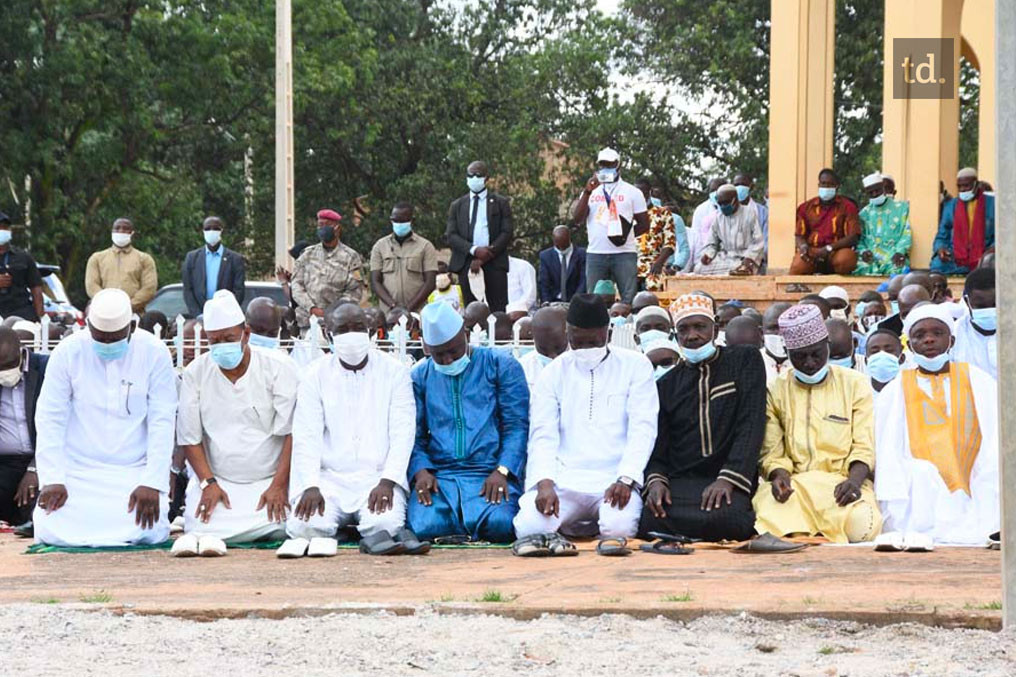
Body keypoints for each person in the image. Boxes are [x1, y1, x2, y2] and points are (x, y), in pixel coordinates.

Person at [33, 289, 177, 546]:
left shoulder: (154, 352)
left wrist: (152, 481)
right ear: (87, 326)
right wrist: (53, 478)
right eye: (101, 338)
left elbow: (162, 420)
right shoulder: (67, 352)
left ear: (132, 327)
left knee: (148, 526)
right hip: (78, 471)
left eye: (115, 339)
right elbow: (49, 417)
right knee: (51, 523)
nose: (108, 345)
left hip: (134, 470)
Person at [514, 294, 657, 544]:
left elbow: (643, 428)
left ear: (608, 334)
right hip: (564, 480)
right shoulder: (554, 373)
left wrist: (626, 478)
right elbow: (543, 434)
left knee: (618, 531)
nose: (586, 349)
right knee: (530, 527)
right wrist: (544, 482)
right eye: (578, 342)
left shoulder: (636, 366)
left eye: (593, 342)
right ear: (568, 334)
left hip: (614, 480)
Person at [280, 302, 418, 557]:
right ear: (329, 333)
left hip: (376, 478)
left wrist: (388, 481)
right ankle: (346, 530)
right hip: (329, 478)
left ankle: (354, 530)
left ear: (370, 331)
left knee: (385, 524)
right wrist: (310, 485)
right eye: (342, 329)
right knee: (304, 525)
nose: (351, 335)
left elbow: (403, 431)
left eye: (358, 328)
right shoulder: (313, 375)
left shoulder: (395, 372)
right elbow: (306, 436)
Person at [172, 291, 297, 556]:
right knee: (200, 521)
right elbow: (190, 438)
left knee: (293, 521)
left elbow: (292, 433)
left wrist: (278, 485)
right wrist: (208, 483)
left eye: (228, 339)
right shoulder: (196, 372)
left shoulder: (279, 367)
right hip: (220, 481)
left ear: (246, 334)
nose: (221, 346)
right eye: (214, 341)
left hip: (270, 480)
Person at [641, 293, 766, 541]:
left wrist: (728, 479)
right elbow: (658, 447)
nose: (692, 336)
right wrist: (656, 482)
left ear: (716, 327)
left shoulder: (744, 361)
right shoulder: (666, 384)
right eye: (683, 329)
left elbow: (751, 425)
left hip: (728, 478)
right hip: (682, 482)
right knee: (649, 517)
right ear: (675, 335)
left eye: (700, 327)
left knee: (728, 518)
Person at [753, 304, 881, 543]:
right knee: (765, 512)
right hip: (797, 487)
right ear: (787, 352)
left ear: (827, 346)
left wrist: (853, 482)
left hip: (841, 485)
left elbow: (865, 445)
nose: (810, 363)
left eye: (816, 353)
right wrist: (779, 476)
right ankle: (807, 533)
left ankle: (802, 535)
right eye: (800, 356)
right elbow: (773, 450)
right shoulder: (775, 390)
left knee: (863, 525)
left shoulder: (855, 384)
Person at [875, 303, 998, 544]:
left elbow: (995, 438)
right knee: (921, 473)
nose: (929, 340)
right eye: (920, 335)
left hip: (974, 480)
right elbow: (887, 448)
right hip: (919, 489)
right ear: (909, 346)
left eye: (937, 333)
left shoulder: (979, 380)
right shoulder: (895, 389)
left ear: (951, 341)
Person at [407, 301, 529, 542]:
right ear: (426, 347)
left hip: (490, 471)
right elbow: (414, 434)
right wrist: (421, 471)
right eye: (439, 354)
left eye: (453, 350)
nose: (449, 359)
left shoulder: (501, 365)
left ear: (465, 333)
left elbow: (517, 426)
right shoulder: (420, 376)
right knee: (425, 525)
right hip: (441, 475)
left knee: (501, 524)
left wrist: (503, 470)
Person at [572, 148, 649, 305]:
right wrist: (587, 191)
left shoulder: (632, 192)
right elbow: (577, 219)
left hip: (624, 253)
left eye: (610, 164)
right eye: (602, 164)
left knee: (628, 300)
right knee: (593, 301)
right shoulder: (591, 191)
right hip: (596, 252)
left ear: (618, 165)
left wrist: (625, 235)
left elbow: (644, 224)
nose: (606, 167)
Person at [446, 161, 513, 312]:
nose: (474, 178)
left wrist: (486, 255)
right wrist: (474, 250)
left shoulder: (500, 203)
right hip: (466, 262)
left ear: (486, 177)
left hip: (494, 260)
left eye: (478, 175)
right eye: (470, 175)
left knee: (498, 309)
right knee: (471, 310)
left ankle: (498, 335)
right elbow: (451, 235)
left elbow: (507, 232)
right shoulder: (457, 205)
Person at [0, 327, 47, 530]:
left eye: (9, 365)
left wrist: (35, 468)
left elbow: (62, 425)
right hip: (4, 463)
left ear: (22, 351)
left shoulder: (46, 369)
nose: (4, 373)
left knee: (37, 502)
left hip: (41, 458)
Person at [290, 209, 364, 330]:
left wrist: (332, 312)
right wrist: (312, 308)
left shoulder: (351, 257)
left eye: (327, 225)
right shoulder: (307, 254)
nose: (322, 228)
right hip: (307, 322)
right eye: (320, 225)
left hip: (338, 324)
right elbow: (296, 284)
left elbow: (354, 291)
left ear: (337, 228)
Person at [369, 202, 438, 314]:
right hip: (389, 313)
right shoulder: (379, 246)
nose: (399, 224)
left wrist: (408, 308)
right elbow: (375, 281)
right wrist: (393, 306)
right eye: (395, 221)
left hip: (418, 312)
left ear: (412, 220)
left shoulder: (425, 246)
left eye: (403, 221)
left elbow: (430, 282)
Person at [790, 169, 861, 274]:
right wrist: (803, 247)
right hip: (813, 252)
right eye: (823, 184)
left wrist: (829, 248)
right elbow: (799, 235)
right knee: (798, 265)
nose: (826, 187)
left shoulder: (848, 207)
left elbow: (853, 236)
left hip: (836, 251)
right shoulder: (805, 208)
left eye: (830, 185)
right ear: (819, 184)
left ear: (837, 186)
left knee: (845, 260)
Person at [84, 218, 158, 314]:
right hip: (104, 313)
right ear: (112, 232)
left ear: (132, 233)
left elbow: (149, 288)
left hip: (134, 314)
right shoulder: (97, 258)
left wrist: (129, 306)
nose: (121, 231)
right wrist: (107, 304)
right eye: (117, 228)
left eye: (125, 228)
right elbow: (91, 286)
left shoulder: (144, 259)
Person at [932, 167, 995, 276]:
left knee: (991, 263)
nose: (962, 190)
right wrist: (940, 248)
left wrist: (993, 249)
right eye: (959, 186)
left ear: (976, 184)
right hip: (957, 255)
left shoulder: (992, 204)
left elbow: (1001, 234)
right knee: (937, 264)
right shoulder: (951, 205)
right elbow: (942, 234)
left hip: (984, 252)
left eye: (966, 185)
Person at [181, 216, 246, 318]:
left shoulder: (235, 259)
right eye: (207, 229)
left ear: (222, 231)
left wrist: (227, 312)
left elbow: (239, 290)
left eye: (216, 228)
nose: (211, 231)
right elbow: (188, 289)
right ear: (203, 231)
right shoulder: (192, 258)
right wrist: (198, 314)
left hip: (225, 316)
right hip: (200, 317)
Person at [694, 184, 764, 276]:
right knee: (698, 269)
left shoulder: (749, 213)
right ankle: (734, 272)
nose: (723, 206)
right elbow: (711, 243)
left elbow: (758, 241)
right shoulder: (718, 218)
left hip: (744, 258)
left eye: (726, 203)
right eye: (720, 203)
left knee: (740, 267)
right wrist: (708, 255)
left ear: (735, 199)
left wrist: (750, 259)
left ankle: (741, 271)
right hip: (725, 259)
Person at [854, 173, 911, 276]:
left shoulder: (902, 208)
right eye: (871, 192)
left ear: (883, 189)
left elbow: (906, 232)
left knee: (900, 269)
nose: (875, 194)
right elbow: (860, 239)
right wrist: (863, 252)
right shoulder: (864, 214)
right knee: (858, 268)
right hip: (871, 258)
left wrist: (900, 251)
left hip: (893, 255)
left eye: (877, 190)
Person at [952, 267, 996, 378]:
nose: (989, 310)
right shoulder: (953, 335)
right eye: (981, 307)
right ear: (967, 302)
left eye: (995, 305)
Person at [0, 213, 44, 322]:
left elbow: (36, 288)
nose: (1, 230)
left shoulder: (24, 257)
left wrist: (41, 318)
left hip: (21, 313)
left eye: (5, 227)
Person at [634, 178, 676, 291]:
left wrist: (659, 263)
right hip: (631, 264)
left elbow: (670, 243)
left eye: (642, 192)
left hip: (655, 263)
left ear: (650, 192)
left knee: (654, 288)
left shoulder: (663, 213)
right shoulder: (629, 213)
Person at [517, 306, 568, 390]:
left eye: (558, 348)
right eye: (543, 350)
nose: (552, 356)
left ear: (568, 334)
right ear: (533, 336)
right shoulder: (522, 368)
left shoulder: (582, 365)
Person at [685, 177, 725, 272]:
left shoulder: (733, 208)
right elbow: (696, 237)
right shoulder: (701, 210)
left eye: (718, 190)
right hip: (705, 257)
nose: (715, 193)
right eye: (712, 190)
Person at [538, 225, 586, 304]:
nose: (561, 248)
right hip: (554, 301)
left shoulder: (582, 254)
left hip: (576, 300)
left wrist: (576, 301)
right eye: (558, 245)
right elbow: (544, 282)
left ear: (569, 239)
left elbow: (583, 281)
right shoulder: (545, 256)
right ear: (553, 240)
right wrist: (546, 301)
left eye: (564, 245)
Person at [732, 173, 769, 272]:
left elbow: (766, 243)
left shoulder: (762, 212)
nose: (739, 187)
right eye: (736, 185)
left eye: (743, 184)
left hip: (757, 265)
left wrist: (751, 258)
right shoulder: (725, 214)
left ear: (751, 187)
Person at [865, 329, 904, 396]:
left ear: (902, 358)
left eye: (889, 350)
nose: (882, 355)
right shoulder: (858, 390)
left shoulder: (911, 388)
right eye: (874, 352)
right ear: (866, 360)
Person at [761, 302, 792, 384]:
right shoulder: (751, 363)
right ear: (761, 333)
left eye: (787, 327)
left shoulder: (807, 364)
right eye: (773, 328)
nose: (780, 334)